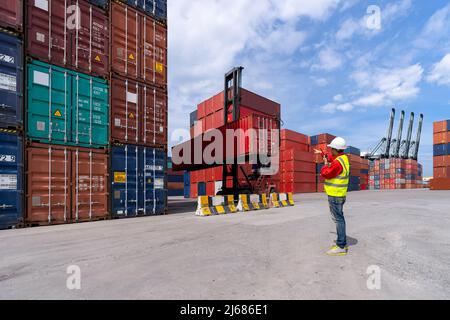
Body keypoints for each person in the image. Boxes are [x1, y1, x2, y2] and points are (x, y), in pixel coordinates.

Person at [314, 137, 350, 257]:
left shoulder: (337, 163)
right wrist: (323, 153)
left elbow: (326, 173)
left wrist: (324, 164)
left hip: (335, 195)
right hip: (340, 194)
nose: (330, 150)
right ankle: (342, 243)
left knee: (338, 219)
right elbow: (331, 157)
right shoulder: (343, 158)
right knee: (339, 218)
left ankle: (341, 246)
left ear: (336, 149)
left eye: (331, 149)